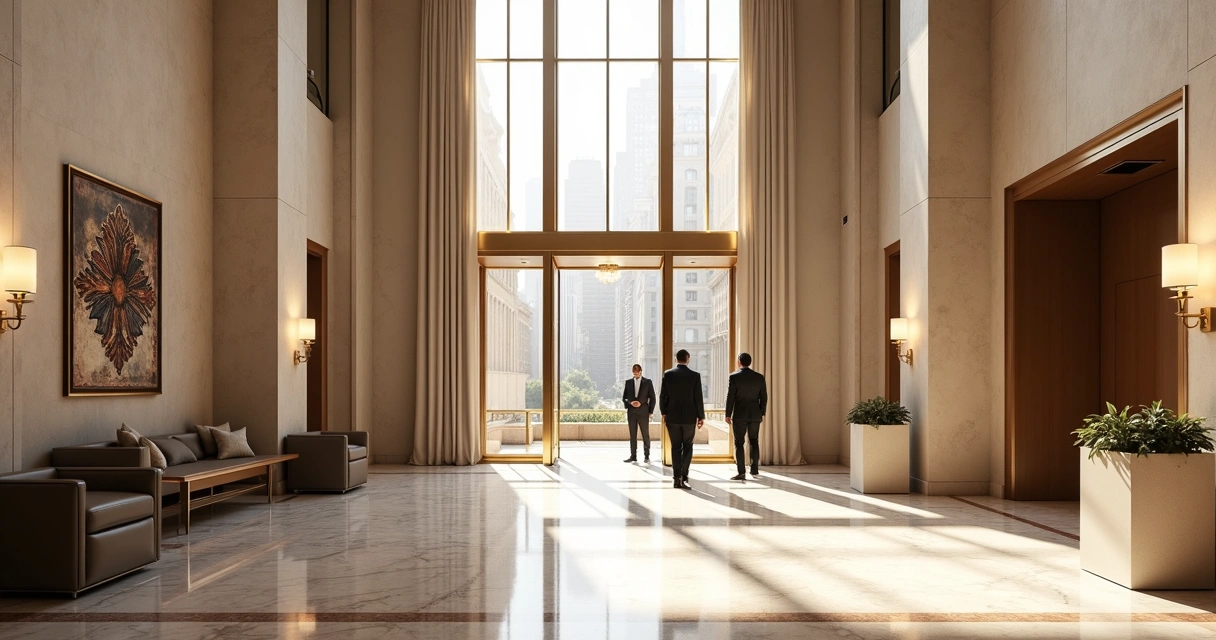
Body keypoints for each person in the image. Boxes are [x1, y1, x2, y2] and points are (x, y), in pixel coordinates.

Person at [659, 349, 703, 489]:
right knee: (688, 446)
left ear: (676, 359)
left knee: (675, 447)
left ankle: (676, 478)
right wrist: (700, 416)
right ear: (688, 358)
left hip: (672, 416)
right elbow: (698, 398)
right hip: (690, 418)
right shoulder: (695, 376)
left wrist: (664, 412)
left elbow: (663, 396)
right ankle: (684, 476)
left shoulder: (668, 374)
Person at [725, 352, 767, 481]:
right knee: (754, 441)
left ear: (739, 362)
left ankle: (741, 472)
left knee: (739, 443)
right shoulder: (759, 377)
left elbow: (730, 397)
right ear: (750, 362)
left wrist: (727, 414)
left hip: (739, 415)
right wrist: (762, 412)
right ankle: (754, 469)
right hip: (755, 414)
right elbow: (764, 397)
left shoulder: (734, 377)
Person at [621, 364, 656, 463]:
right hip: (632, 412)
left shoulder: (648, 382)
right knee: (632, 435)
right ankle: (633, 456)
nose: (635, 373)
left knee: (645, 434)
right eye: (634, 372)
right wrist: (630, 402)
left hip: (643, 411)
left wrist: (650, 411)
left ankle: (646, 456)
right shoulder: (628, 383)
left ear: (641, 371)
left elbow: (652, 398)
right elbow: (624, 398)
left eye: (637, 372)